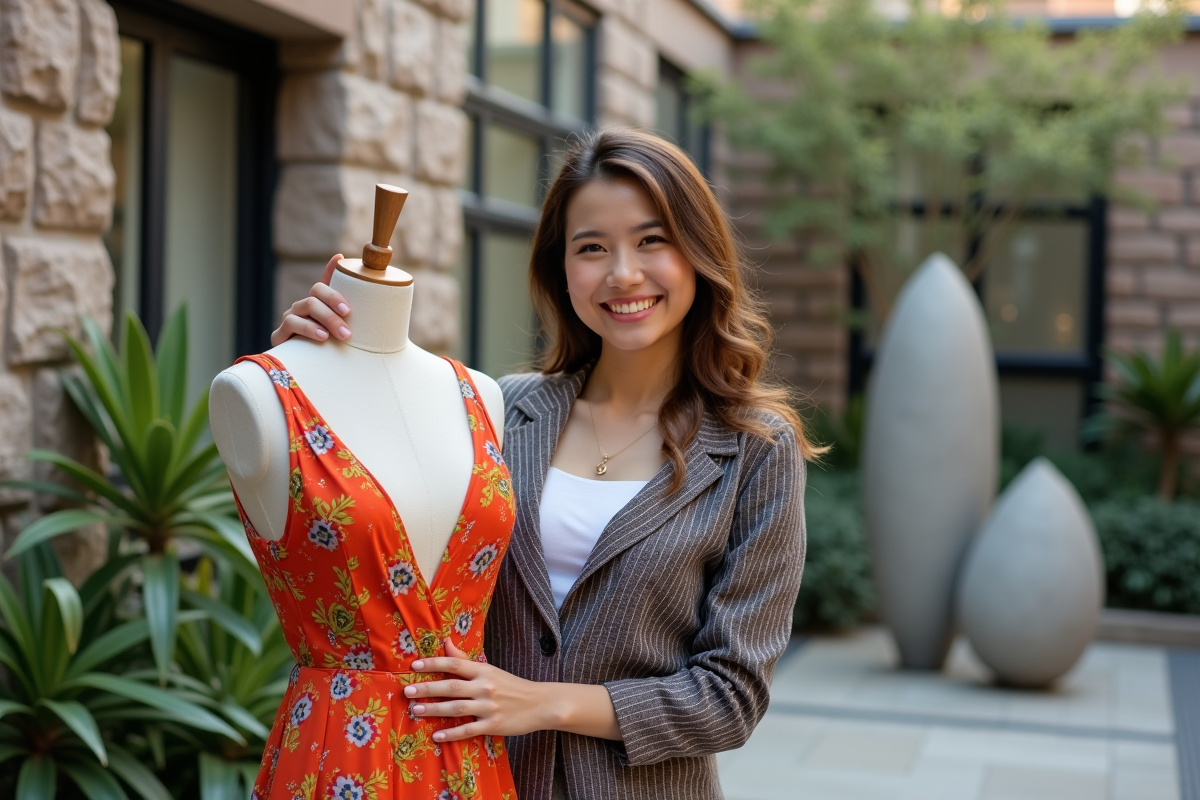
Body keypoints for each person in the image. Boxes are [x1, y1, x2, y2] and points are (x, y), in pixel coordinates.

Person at [271, 128, 819, 800]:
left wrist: (544, 703)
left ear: (698, 253)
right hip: (469, 781)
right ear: (561, 269)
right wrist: (313, 376)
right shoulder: (500, 410)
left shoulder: (756, 449)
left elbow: (731, 696)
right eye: (592, 248)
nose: (623, 273)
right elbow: (371, 512)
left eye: (651, 240)